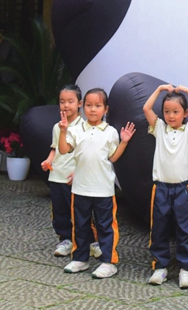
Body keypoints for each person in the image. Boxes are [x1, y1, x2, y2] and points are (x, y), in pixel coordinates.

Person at [57, 87, 135, 278]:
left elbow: (113, 157)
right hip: (80, 188)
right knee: (80, 225)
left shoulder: (110, 132)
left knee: (105, 226)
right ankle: (80, 258)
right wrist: (63, 131)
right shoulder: (75, 130)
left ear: (105, 109)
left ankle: (108, 262)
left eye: (98, 106)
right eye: (89, 105)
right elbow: (64, 149)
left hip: (103, 189)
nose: (93, 109)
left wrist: (124, 141)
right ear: (83, 107)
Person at [141, 84, 188, 288]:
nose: (171, 116)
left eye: (176, 112)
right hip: (160, 188)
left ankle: (186, 269)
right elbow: (146, 108)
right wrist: (159, 90)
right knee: (159, 228)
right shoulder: (159, 128)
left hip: (183, 189)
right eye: (167, 111)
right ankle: (160, 266)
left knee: (186, 229)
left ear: (185, 113)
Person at [40, 85, 87, 258]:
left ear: (79, 103)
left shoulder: (84, 127)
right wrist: (48, 161)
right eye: (62, 102)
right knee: (59, 211)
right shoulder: (57, 127)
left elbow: (86, 154)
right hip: (57, 175)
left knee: (78, 211)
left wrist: (78, 172)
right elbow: (55, 148)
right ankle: (65, 239)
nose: (66, 105)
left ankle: (84, 241)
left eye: (70, 101)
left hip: (74, 177)